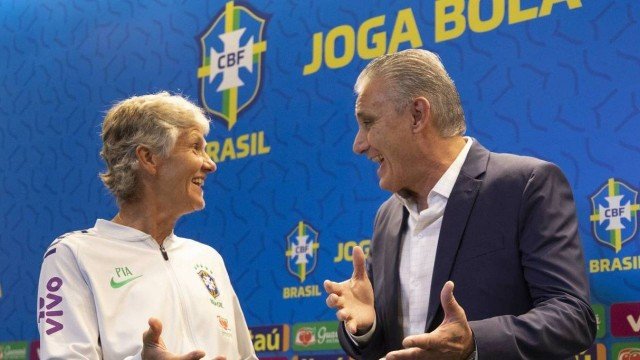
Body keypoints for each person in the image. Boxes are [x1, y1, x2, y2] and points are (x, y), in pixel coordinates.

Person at [323, 49, 596, 359]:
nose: (358, 144)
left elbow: (573, 318)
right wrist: (367, 328)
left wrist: (473, 342)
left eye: (368, 123)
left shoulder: (525, 184)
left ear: (417, 115)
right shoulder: (387, 217)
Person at [37, 92, 257, 360]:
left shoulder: (208, 259)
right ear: (149, 158)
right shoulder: (72, 254)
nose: (210, 164)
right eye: (195, 147)